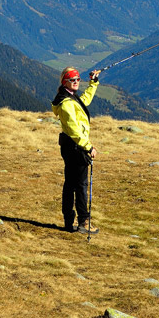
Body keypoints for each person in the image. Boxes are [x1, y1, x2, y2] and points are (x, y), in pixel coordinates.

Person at [51, 66, 101, 234]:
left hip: (69, 146)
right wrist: (88, 147)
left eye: (78, 79)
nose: (76, 82)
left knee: (71, 184)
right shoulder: (66, 103)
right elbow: (74, 129)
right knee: (80, 185)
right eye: (73, 80)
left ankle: (68, 220)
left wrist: (93, 83)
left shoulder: (70, 98)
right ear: (65, 82)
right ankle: (83, 222)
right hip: (75, 147)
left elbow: (84, 101)